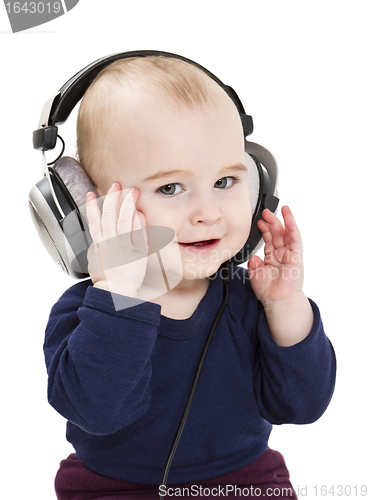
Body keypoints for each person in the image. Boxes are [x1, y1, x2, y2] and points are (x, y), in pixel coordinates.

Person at [44, 55, 336, 499]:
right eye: (170, 188)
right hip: (108, 489)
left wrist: (284, 306)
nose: (208, 213)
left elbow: (303, 405)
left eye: (224, 181)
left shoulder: (248, 300)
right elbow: (98, 412)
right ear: (91, 211)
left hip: (248, 483)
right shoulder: (86, 312)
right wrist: (123, 294)